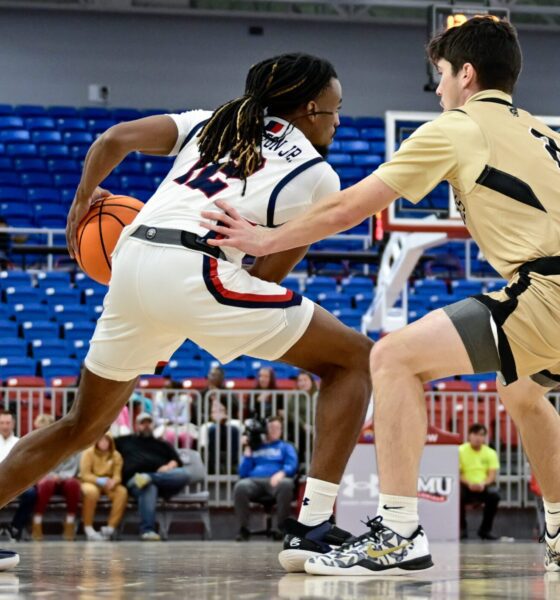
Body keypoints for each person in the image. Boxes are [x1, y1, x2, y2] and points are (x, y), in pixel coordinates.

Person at [201, 19, 560, 574]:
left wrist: (265, 239)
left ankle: (398, 531)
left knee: (392, 356)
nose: (437, 88)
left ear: (466, 74)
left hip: (549, 290)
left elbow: (351, 207)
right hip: (546, 293)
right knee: (521, 393)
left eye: (440, 75)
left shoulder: (459, 127)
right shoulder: (543, 132)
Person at [0, 53, 373, 571]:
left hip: (131, 262)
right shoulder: (317, 175)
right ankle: (312, 529)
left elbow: (114, 139)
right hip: (196, 268)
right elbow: (267, 276)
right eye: (335, 111)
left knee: (80, 423)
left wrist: (82, 203)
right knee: (354, 359)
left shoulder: (210, 122)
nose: (338, 121)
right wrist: (212, 317)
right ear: (310, 109)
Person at [115, 413, 190, 541]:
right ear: (136, 425)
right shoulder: (124, 441)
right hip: (135, 481)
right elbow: (103, 445)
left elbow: (177, 461)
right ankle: (147, 531)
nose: (146, 426)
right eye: (142, 423)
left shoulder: (162, 444)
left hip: (162, 479)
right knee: (149, 487)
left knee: (184, 474)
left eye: (148, 423)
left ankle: (149, 477)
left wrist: (169, 466)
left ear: (153, 425)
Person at [234, 416, 298, 541]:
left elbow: (292, 465)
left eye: (277, 428)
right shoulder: (256, 447)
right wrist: (247, 449)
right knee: (240, 486)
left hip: (276, 481)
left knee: (286, 484)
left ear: (281, 430)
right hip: (254, 481)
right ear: (265, 430)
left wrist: (282, 473)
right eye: (271, 428)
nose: (274, 431)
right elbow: (243, 473)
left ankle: (282, 529)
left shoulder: (286, 447)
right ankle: (244, 529)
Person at [32, 414, 81, 541]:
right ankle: (37, 521)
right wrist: (51, 476)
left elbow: (74, 464)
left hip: (65, 478)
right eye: (38, 430)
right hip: (45, 479)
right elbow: (35, 468)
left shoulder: (68, 443)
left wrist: (61, 476)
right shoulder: (34, 446)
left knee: (73, 484)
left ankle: (70, 522)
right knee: (46, 483)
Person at [79, 432, 128, 541]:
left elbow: (118, 475)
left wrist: (113, 482)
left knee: (122, 492)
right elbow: (85, 474)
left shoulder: (116, 455)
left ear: (111, 442)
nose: (104, 443)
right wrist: (98, 480)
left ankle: (110, 527)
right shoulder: (88, 453)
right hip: (90, 481)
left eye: (106, 440)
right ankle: (88, 527)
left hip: (109, 483)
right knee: (91, 492)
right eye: (101, 440)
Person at [0, 412, 36, 545]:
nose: (5, 426)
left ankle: (15, 526)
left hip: (15, 482)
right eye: (2, 423)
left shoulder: (19, 443)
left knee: (31, 493)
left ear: (13, 424)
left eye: (8, 423)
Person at [459, 424, 500, 540]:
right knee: (457, 495)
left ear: (485, 437)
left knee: (495, 495)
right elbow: (457, 473)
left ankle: (485, 530)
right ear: (469, 436)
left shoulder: (491, 453)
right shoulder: (460, 451)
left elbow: (492, 476)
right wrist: (469, 484)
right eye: (475, 434)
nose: (478, 438)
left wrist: (483, 484)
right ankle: (462, 529)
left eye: (481, 435)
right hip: (465, 486)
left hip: (483, 486)